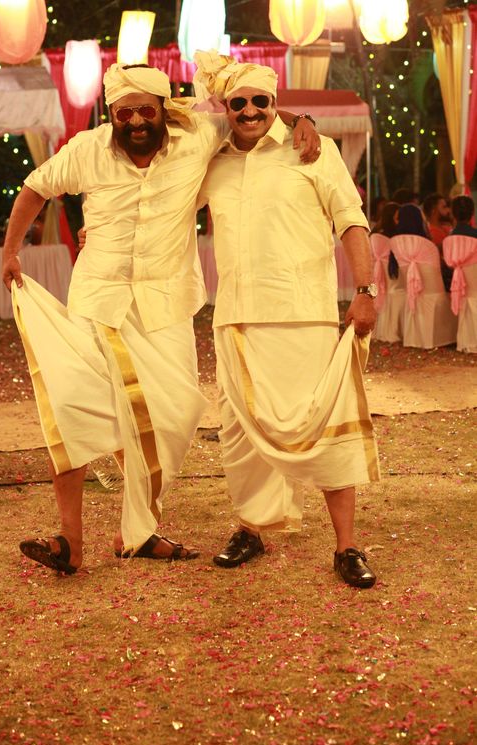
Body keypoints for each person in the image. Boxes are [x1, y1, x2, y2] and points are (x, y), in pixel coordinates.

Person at [1, 63, 320, 575]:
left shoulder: (198, 136)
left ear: (163, 109)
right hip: (98, 299)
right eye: (124, 112)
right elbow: (35, 188)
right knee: (73, 406)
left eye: (145, 110)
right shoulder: (87, 149)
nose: (135, 121)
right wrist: (11, 251)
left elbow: (248, 112)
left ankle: (139, 531)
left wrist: (301, 118)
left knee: (177, 415)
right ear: (111, 113)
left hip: (166, 305)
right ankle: (68, 540)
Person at [194, 52, 380, 588]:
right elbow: (165, 200)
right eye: (238, 103)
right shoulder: (212, 161)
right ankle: (250, 528)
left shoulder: (313, 151)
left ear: (275, 102)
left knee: (324, 427)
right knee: (240, 434)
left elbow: (351, 220)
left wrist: (364, 291)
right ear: (226, 108)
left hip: (303, 313)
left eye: (261, 101)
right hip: (235, 316)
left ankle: (346, 546)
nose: (250, 111)